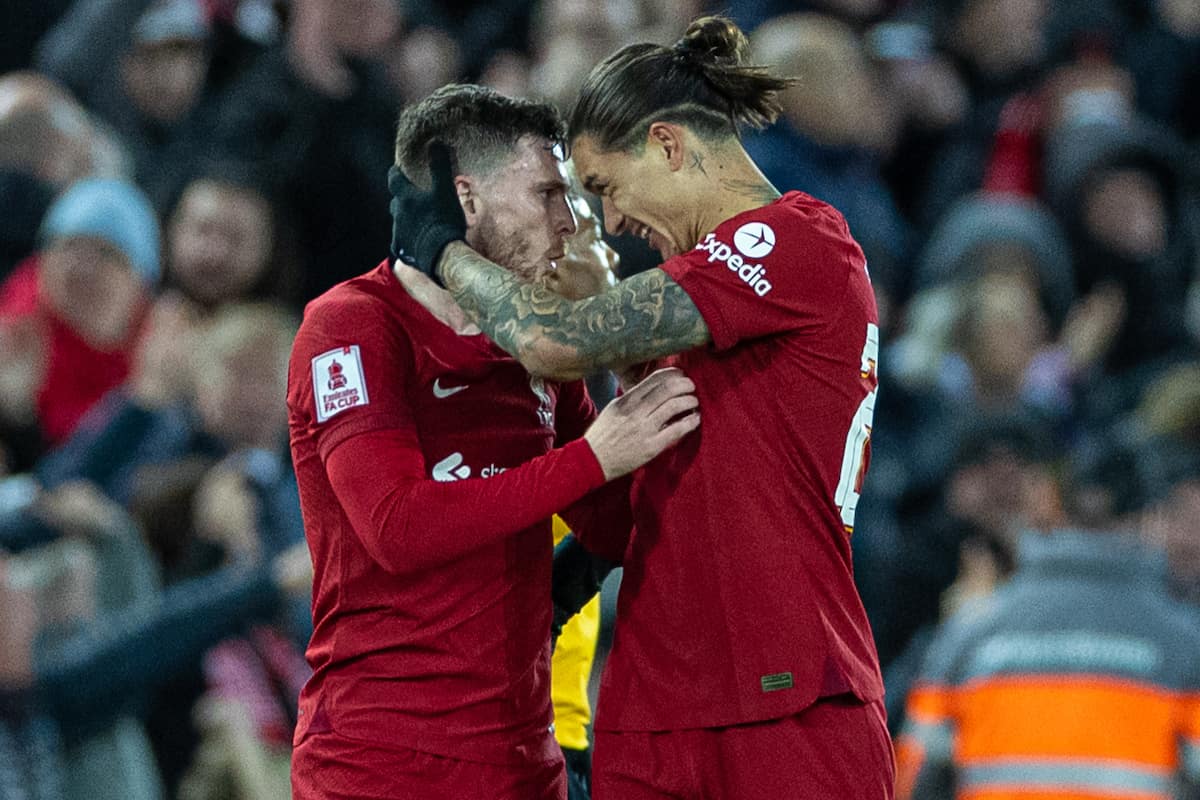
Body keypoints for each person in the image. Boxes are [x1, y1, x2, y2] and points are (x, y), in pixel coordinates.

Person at [389, 16, 894, 799]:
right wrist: (566, 576)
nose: (612, 221)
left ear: (666, 145)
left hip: (783, 700)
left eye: (606, 189)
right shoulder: (692, 323)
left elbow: (554, 341)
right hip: (653, 712)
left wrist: (441, 248)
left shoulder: (797, 243)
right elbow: (637, 504)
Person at [286, 84, 699, 800]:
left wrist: (625, 368)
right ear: (467, 201)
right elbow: (396, 527)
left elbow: (611, 525)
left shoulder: (532, 348)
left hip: (523, 765)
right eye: (547, 195)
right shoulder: (352, 326)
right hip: (381, 764)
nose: (571, 221)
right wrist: (595, 454)